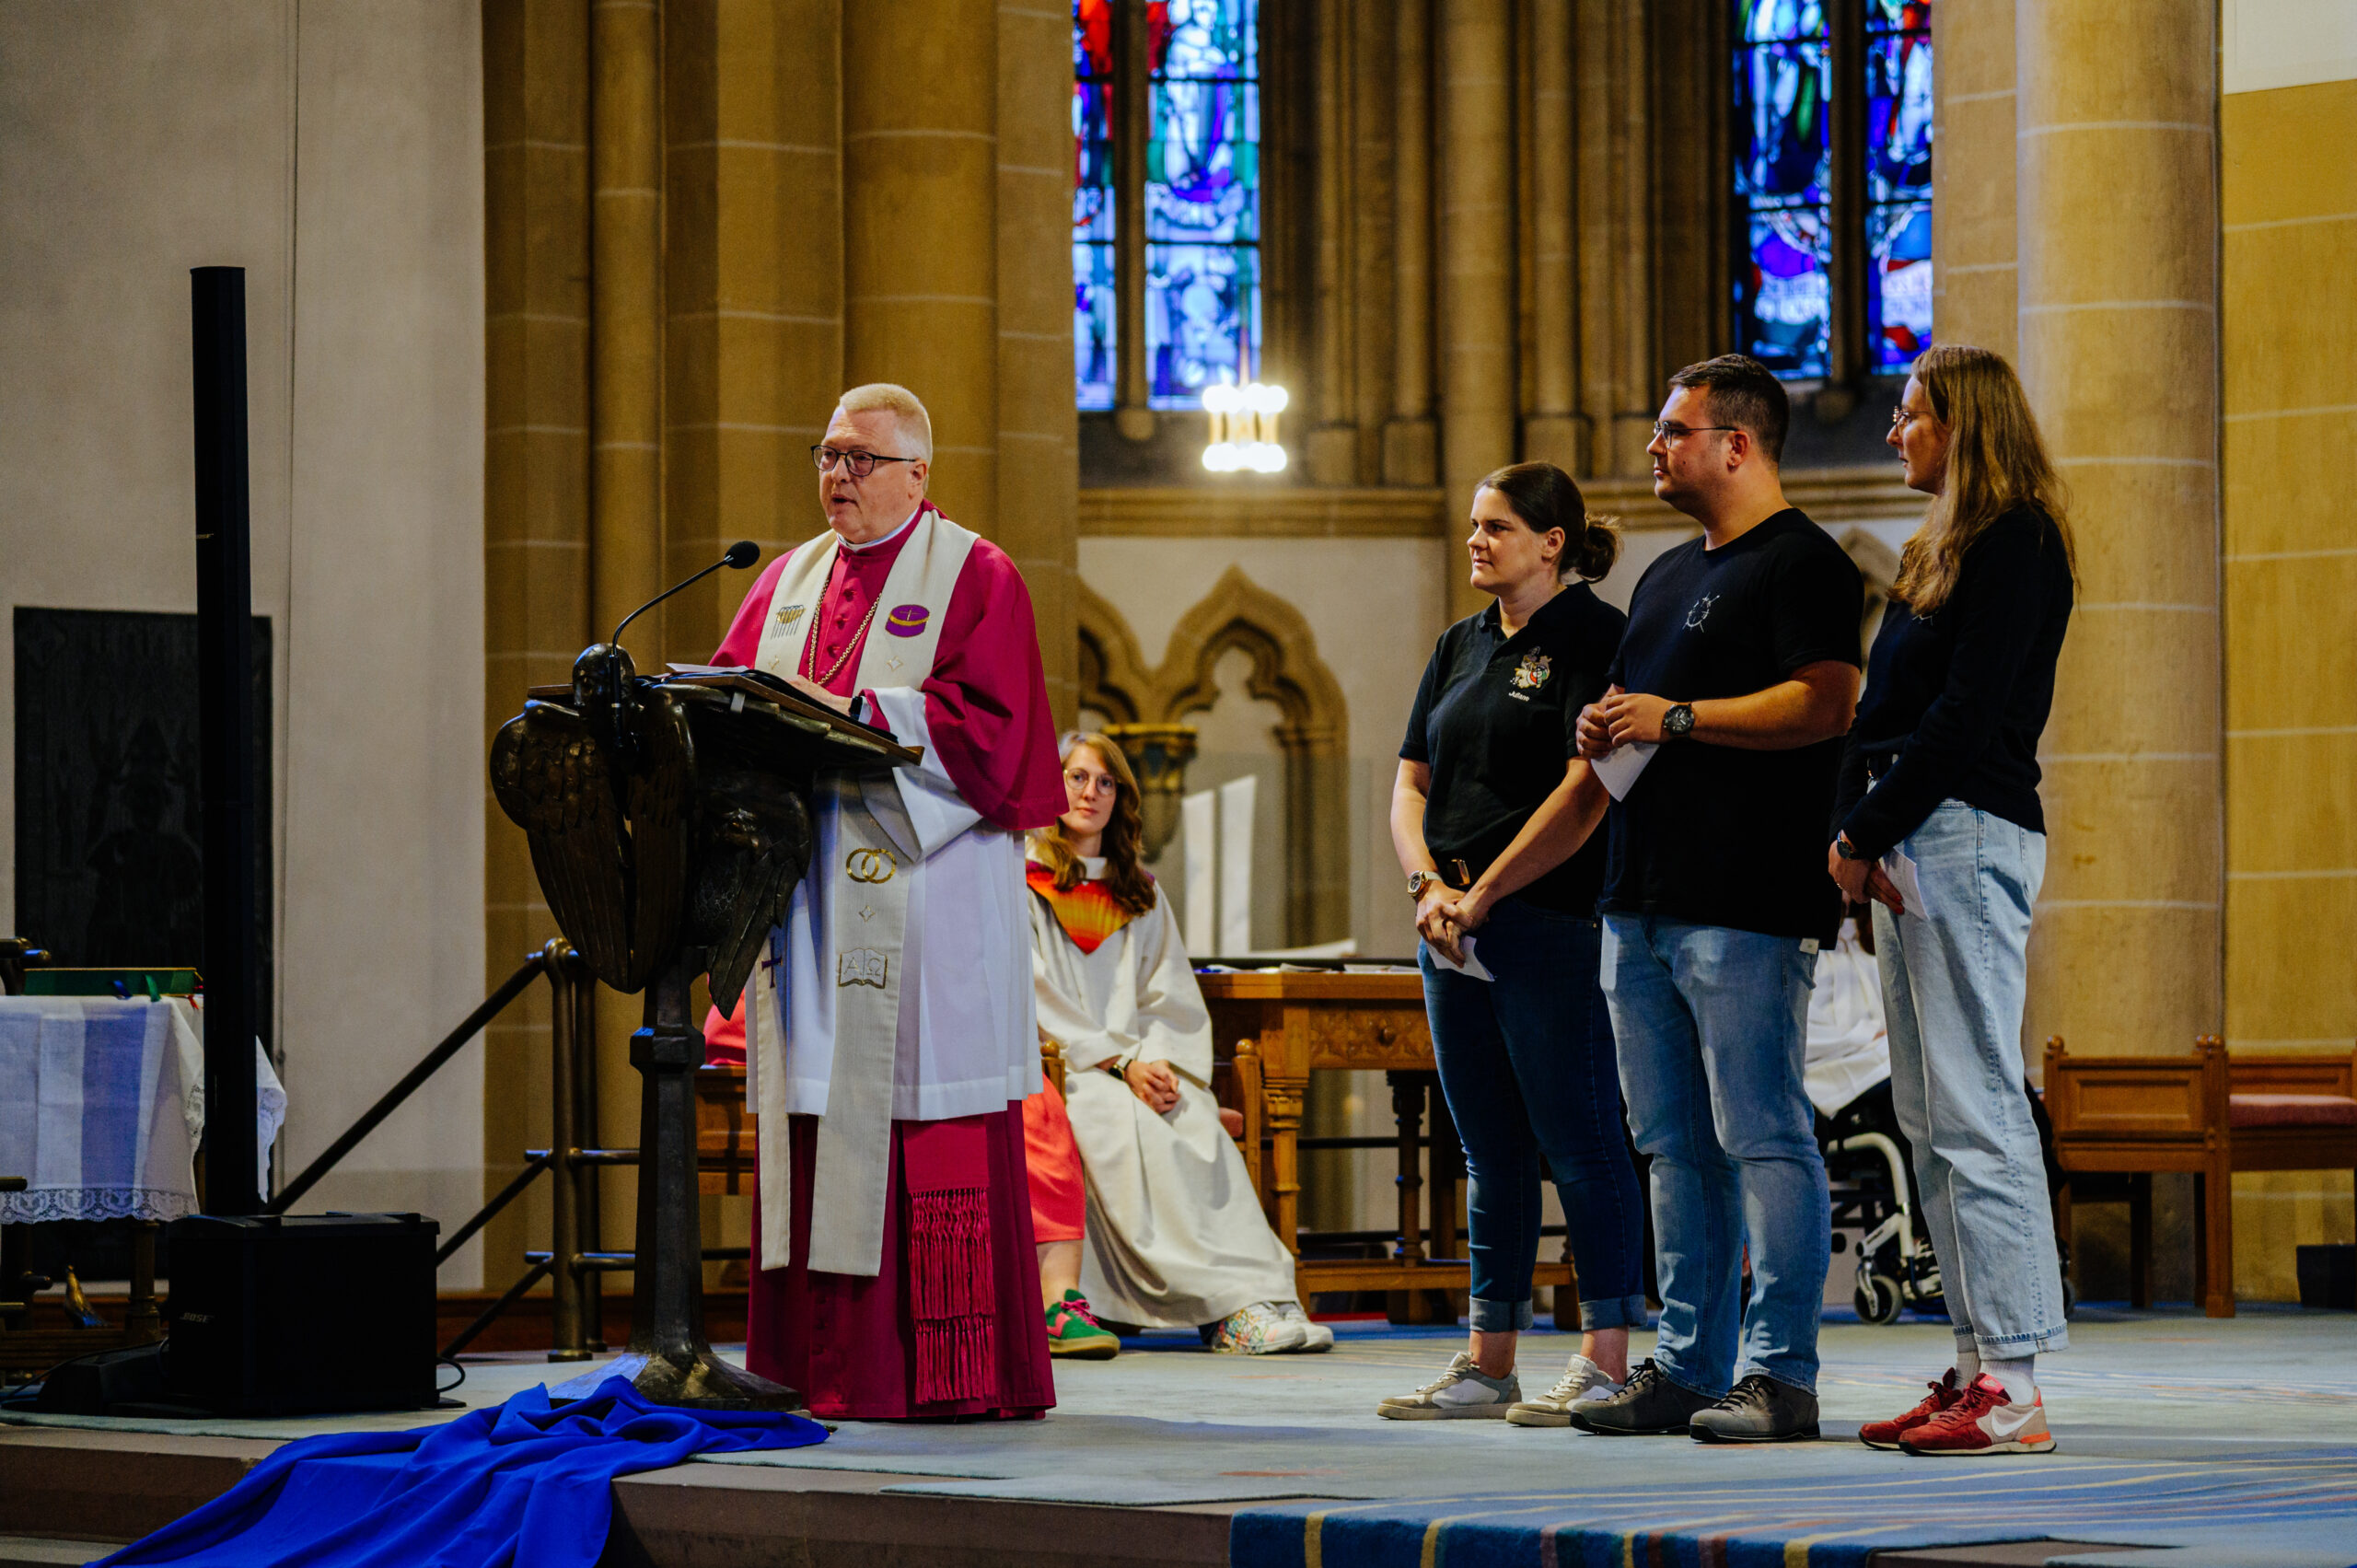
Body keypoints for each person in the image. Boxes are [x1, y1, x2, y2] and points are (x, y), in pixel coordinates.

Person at [712, 382, 1065, 1420]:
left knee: (923, 1114)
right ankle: (805, 1366)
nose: (837, 476)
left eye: (861, 458)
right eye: (826, 455)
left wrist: (861, 711)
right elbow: (737, 695)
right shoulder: (785, 581)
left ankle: (937, 1379)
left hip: (924, 890)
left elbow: (993, 730)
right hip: (808, 895)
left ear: (918, 471)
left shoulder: (974, 572)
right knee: (815, 1110)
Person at [1572, 354, 1863, 1443]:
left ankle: (1780, 1372)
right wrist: (1605, 726)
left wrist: (1674, 717)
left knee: (1761, 1132)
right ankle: (1690, 1363)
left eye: (1674, 429)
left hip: (1742, 899)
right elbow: (1635, 714)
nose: (1655, 446)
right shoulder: (1658, 577)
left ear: (1736, 443)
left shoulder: (1804, 564)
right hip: (1637, 897)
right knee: (1669, 1142)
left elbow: (1827, 701)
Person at [1830, 344, 2075, 1456]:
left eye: (1909, 413)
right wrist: (1850, 832)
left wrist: (1865, 828)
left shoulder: (2016, 537)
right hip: (1905, 839)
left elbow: (1967, 717)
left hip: (1964, 834)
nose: (1893, 430)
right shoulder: (1939, 546)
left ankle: (2016, 1379)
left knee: (1976, 1105)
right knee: (1927, 1118)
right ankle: (1976, 1363)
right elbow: (1880, 710)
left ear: (1963, 423)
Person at [1376, 462, 1646, 1424]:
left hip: (1547, 918)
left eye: (1496, 526)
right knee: (1487, 1147)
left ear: (1553, 541)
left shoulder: (1598, 637)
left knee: (1579, 1140)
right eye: (1472, 525)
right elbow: (1411, 780)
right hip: (1448, 926)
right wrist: (1428, 885)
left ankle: (1605, 1354)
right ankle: (1489, 1356)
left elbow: (1585, 788)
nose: (1477, 540)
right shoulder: (1459, 643)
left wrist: (1485, 890)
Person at [1028, 732, 1332, 1354]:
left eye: (1105, 782)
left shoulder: (1139, 889)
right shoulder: (1022, 880)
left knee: (1192, 1121)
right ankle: (1221, 1308)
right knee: (1115, 1121)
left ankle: (1258, 1293)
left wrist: (1158, 1062)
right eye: (1077, 776)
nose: (1090, 792)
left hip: (1141, 1063)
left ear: (1121, 798)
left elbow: (1167, 992)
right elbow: (1033, 994)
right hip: (1076, 1069)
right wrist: (1120, 1063)